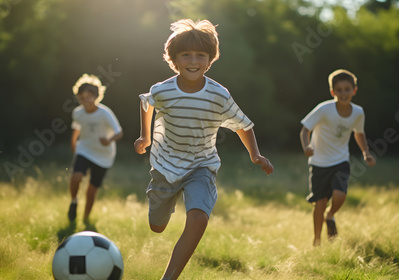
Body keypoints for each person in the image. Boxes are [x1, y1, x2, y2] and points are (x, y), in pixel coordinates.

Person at [134, 19, 274, 280]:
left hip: (201, 165)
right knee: (157, 226)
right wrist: (145, 137)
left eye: (201, 55)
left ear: (211, 59)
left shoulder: (218, 94)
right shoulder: (162, 90)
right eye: (185, 55)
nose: (193, 60)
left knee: (198, 218)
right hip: (165, 166)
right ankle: (163, 206)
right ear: (174, 59)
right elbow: (147, 103)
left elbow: (242, 125)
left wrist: (255, 155)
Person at [300, 69, 376, 246]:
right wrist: (307, 146)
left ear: (354, 90)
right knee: (320, 202)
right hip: (319, 162)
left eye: (347, 89)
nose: (343, 93)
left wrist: (366, 152)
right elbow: (305, 129)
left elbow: (359, 133)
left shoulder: (358, 112)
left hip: (340, 160)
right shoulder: (324, 109)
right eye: (339, 90)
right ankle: (317, 240)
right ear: (332, 92)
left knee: (340, 195)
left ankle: (330, 214)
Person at [67, 74, 123, 223]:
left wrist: (109, 140)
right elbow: (77, 128)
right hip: (84, 149)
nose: (85, 101)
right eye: (81, 97)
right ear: (78, 97)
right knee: (76, 177)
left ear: (97, 97)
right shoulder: (77, 113)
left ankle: (85, 219)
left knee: (91, 191)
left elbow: (119, 132)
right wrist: (74, 143)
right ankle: (73, 202)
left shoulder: (105, 113)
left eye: (89, 97)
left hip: (104, 155)